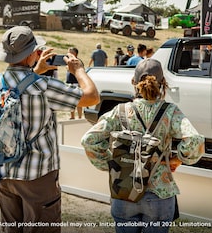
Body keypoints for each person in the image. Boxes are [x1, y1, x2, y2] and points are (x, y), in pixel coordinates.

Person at [0, 26, 99, 231]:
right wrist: (78, 69)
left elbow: (20, 90)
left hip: (4, 172)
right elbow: (92, 96)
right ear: (33, 54)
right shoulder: (44, 86)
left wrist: (34, 71)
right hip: (37, 176)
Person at [81, 59, 205, 232]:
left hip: (124, 192)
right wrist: (177, 159)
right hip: (159, 193)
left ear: (134, 83)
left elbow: (89, 140)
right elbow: (195, 141)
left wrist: (111, 164)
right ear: (163, 84)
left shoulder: (120, 111)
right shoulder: (170, 111)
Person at [67, 47, 84, 120]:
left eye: (70, 52)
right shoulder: (69, 61)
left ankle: (80, 117)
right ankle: (72, 116)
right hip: (70, 82)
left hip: (76, 83)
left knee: (78, 101)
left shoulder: (78, 61)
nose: (68, 53)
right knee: (71, 100)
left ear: (74, 53)